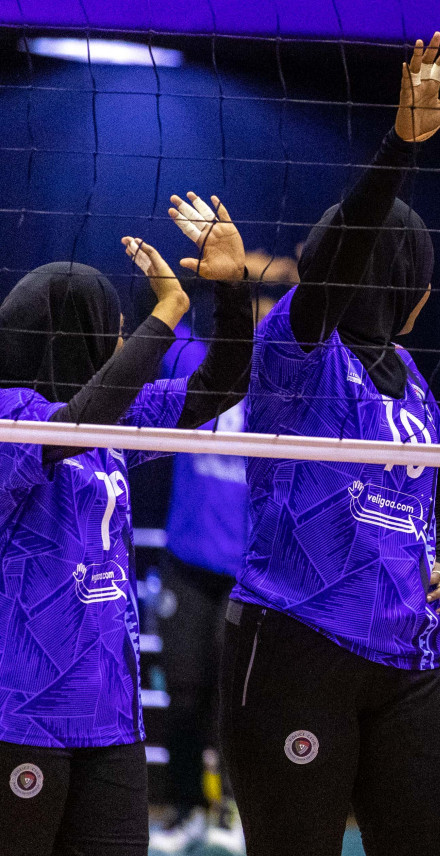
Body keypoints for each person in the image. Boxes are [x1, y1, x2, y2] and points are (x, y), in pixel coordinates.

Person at [218, 33, 440, 856]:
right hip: (299, 641)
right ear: (416, 290)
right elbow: (329, 269)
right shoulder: (299, 349)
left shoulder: (410, 378)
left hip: (413, 660)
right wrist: (401, 143)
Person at [0, 194, 254, 856]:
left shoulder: (109, 419)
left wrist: (230, 293)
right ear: (71, 334)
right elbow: (75, 424)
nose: (119, 345)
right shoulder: (8, 418)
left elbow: (217, 389)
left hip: (111, 717)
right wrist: (166, 314)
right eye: (111, 330)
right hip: (22, 713)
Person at [149, 251, 299, 856]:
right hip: (187, 566)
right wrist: (211, 272)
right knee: (184, 696)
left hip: (251, 576)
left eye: (272, 302)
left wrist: (287, 280)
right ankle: (186, 810)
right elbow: (168, 312)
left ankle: (233, 813)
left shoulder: (287, 382)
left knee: (238, 705)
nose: (261, 315)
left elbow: (313, 321)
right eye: (255, 302)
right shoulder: (194, 363)